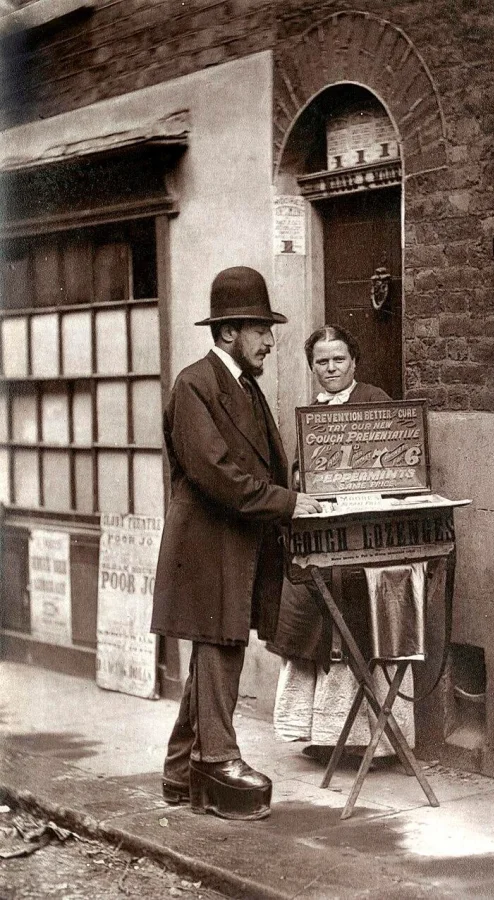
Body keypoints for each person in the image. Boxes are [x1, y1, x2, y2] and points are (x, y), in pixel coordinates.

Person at [151, 266, 321, 821]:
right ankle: (216, 759)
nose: (271, 341)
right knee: (219, 647)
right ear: (229, 333)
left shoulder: (243, 386)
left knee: (217, 648)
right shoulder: (194, 384)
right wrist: (287, 503)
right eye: (261, 330)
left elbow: (259, 463)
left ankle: (181, 772)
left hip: (234, 543)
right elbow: (216, 473)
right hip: (208, 544)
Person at [270, 325, 417, 758]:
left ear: (354, 362)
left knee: (363, 629)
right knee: (314, 623)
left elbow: (398, 462)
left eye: (338, 359)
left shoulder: (375, 401)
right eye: (322, 361)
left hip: (366, 541)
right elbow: (300, 473)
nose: (331, 368)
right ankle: (327, 737)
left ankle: (375, 741)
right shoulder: (311, 413)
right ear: (312, 367)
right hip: (323, 538)